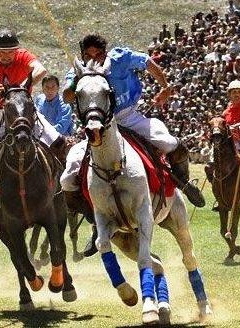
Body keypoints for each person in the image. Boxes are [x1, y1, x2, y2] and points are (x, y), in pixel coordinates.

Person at [61, 34, 205, 210]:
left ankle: (184, 183)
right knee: (69, 177)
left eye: (98, 55)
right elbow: (67, 97)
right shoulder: (77, 71)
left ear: (105, 53)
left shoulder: (121, 58)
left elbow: (148, 63)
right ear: (82, 56)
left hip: (129, 118)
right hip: (98, 127)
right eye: (88, 56)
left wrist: (165, 87)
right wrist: (78, 79)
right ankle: (91, 216)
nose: (94, 60)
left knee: (170, 143)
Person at [0, 28, 66, 231]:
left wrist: (17, 87)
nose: (6, 55)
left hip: (23, 111)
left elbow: (40, 70)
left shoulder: (23, 56)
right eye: (1, 52)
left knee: (58, 142)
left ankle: (63, 189)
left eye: (10, 51)